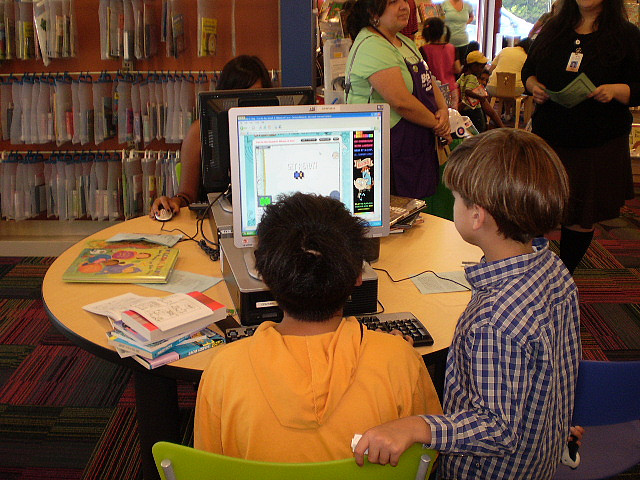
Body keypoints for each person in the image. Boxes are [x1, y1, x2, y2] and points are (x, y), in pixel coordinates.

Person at [353, 129, 582, 479]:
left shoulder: (494, 319)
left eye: (456, 198)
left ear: (477, 216)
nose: (453, 204)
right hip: (537, 457)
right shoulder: (553, 268)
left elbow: (497, 428)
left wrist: (417, 427)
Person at [194, 192, 442, 462]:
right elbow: (427, 457)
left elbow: (208, 466)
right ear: (358, 276)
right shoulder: (400, 361)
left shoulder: (223, 371)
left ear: (263, 274)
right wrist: (393, 352)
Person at [521, 0, 640, 274]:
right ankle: (530, 273)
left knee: (580, 214)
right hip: (549, 137)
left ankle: (564, 274)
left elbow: (638, 86)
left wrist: (615, 90)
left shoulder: (626, 35)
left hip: (597, 141)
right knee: (534, 208)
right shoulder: (554, 29)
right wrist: (533, 86)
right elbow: (529, 71)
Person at [342, 0, 451, 199]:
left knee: (416, 206)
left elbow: (429, 80)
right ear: (373, 12)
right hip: (382, 150)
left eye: (404, 0)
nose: (404, 6)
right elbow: (401, 102)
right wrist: (438, 125)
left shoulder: (404, 41)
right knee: (392, 209)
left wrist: (443, 110)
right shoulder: (372, 45)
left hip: (415, 143)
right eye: (393, 2)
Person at [150, 55, 272, 218]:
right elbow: (187, 195)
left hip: (269, 217)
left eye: (256, 96)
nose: (249, 105)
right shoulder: (199, 132)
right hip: (213, 221)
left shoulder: (278, 130)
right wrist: (173, 202)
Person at [419, 16, 461, 109]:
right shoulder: (452, 48)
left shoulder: (424, 50)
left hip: (434, 90)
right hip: (452, 89)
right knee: (453, 114)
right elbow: (457, 69)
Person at [457, 50, 504, 132]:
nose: (484, 83)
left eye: (486, 81)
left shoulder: (463, 77)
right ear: (474, 66)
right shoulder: (472, 78)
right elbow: (468, 91)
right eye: (481, 79)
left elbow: (491, 112)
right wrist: (480, 97)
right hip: (473, 113)